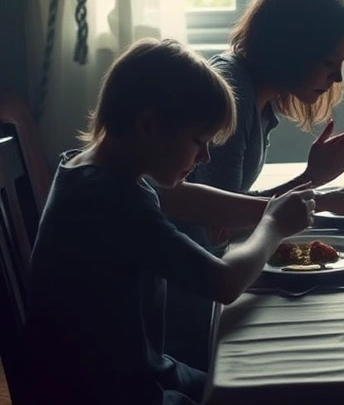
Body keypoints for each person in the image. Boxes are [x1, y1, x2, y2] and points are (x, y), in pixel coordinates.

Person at [24, 39, 316, 405]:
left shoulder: (93, 169)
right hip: (108, 393)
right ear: (149, 125)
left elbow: (192, 200)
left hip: (142, 371)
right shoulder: (113, 201)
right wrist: (273, 225)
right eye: (199, 141)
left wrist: (272, 208)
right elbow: (224, 283)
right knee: (267, 388)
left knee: (254, 384)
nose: (205, 155)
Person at [156, 0, 344, 370]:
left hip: (201, 278)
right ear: (294, 49)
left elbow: (228, 211)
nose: (337, 78)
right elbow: (213, 224)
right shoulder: (232, 95)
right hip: (182, 309)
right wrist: (317, 193)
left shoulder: (261, 97)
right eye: (330, 63)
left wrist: (312, 180)